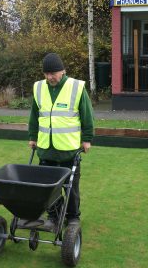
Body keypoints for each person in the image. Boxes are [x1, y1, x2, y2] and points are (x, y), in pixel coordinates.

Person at [28, 52, 94, 225]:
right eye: (46, 73)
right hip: (45, 149)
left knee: (71, 188)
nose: (50, 77)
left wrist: (87, 139)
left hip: (68, 150)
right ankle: (54, 215)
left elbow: (87, 115)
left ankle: (72, 217)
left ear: (63, 71)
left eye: (53, 73)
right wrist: (32, 136)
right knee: (48, 188)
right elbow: (35, 115)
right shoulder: (39, 88)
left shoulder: (76, 88)